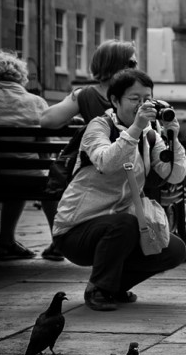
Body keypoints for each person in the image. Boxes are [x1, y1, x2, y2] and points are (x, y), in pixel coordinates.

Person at [51, 69, 186, 311]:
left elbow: (174, 175)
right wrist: (135, 128)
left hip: (118, 228)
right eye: (135, 99)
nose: (142, 105)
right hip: (76, 230)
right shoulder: (98, 126)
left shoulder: (150, 135)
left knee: (174, 250)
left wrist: (173, 139)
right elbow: (106, 162)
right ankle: (99, 289)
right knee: (124, 224)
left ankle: (112, 286)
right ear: (115, 101)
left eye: (147, 98)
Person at [38, 39, 140, 260]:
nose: (136, 66)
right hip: (131, 172)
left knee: (53, 189)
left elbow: (47, 120)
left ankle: (61, 239)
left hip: (93, 172)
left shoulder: (84, 95)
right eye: (132, 62)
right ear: (118, 65)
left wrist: (79, 119)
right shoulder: (137, 95)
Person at [0, 51, 50, 260]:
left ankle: (7, 242)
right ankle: (8, 242)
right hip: (26, 178)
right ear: (19, 75)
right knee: (24, 175)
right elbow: (45, 147)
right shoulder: (37, 101)